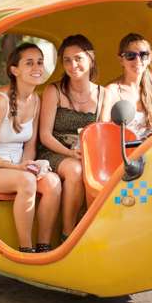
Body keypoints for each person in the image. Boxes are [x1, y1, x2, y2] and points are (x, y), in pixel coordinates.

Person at [0, 43, 61, 254]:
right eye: (29, 63)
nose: (37, 67)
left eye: (39, 62)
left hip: (17, 167)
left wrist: (27, 165)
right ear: (14, 70)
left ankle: (44, 246)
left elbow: (30, 146)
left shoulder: (36, 100)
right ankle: (25, 249)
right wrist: (18, 169)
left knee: (53, 182)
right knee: (27, 180)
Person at [38, 34, 106, 242]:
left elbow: (103, 135)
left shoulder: (104, 94)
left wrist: (86, 155)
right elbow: (45, 135)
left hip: (87, 154)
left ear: (90, 58)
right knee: (75, 170)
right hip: (54, 151)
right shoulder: (54, 91)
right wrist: (70, 153)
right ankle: (68, 235)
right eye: (67, 60)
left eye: (78, 58)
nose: (72, 64)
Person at [101, 33, 152, 138]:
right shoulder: (111, 91)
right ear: (121, 60)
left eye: (143, 55)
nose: (138, 60)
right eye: (130, 56)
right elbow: (102, 131)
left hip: (149, 150)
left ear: (149, 58)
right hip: (121, 151)